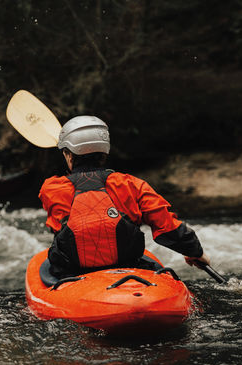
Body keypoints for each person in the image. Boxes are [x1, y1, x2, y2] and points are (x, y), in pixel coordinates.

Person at [39, 116, 210, 279]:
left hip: (72, 273)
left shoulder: (51, 188)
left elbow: (59, 225)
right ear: (105, 152)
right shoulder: (132, 184)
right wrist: (195, 252)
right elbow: (168, 228)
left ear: (69, 155)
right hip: (128, 267)